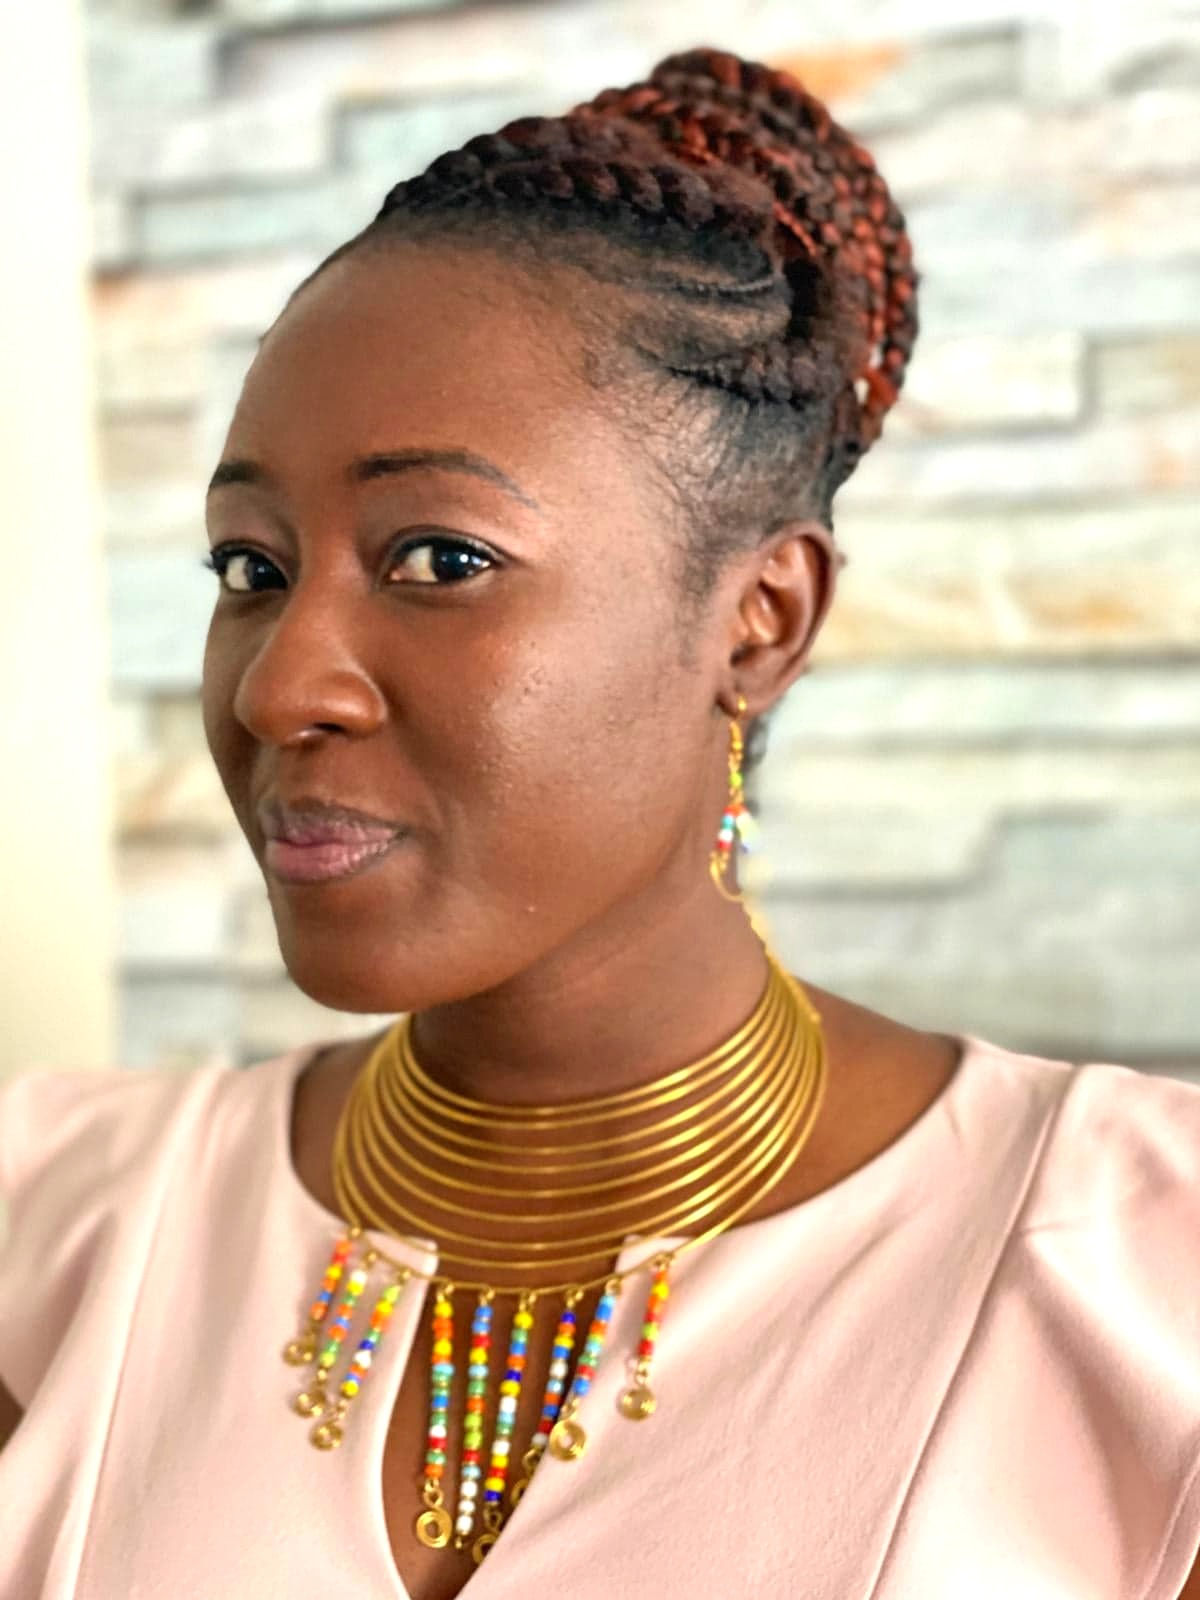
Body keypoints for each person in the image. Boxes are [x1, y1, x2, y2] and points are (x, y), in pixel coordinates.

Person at [1, 43, 1197, 1600]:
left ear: (760, 619)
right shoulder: (54, 1232)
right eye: (251, 565)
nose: (281, 685)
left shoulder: (1136, 1275)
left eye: (440, 558)